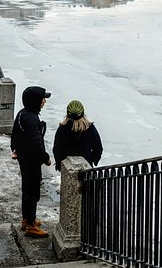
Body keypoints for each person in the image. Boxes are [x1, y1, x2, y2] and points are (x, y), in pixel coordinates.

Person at [10, 86, 52, 238]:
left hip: (24, 158)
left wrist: (15, 149)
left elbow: (14, 134)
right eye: (43, 98)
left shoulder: (23, 114)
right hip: (31, 161)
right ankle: (31, 225)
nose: (44, 101)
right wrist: (45, 158)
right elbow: (36, 144)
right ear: (36, 101)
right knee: (33, 192)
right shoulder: (32, 119)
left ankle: (26, 219)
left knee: (27, 190)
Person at [52, 100, 103, 172]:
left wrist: (59, 165)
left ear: (67, 113)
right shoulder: (90, 128)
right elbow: (98, 148)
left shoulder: (62, 129)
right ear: (82, 113)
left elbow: (57, 149)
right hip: (86, 166)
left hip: (67, 167)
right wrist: (93, 161)